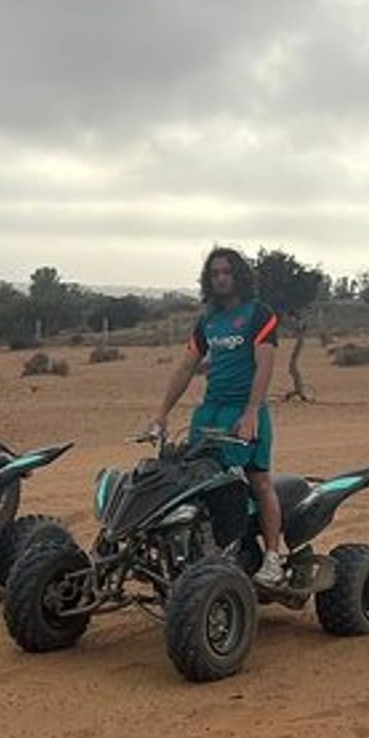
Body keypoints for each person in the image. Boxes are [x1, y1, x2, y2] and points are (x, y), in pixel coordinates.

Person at [149, 247, 288, 588]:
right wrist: (161, 414)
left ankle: (272, 558)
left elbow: (265, 364)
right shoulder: (207, 321)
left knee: (258, 480)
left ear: (238, 275)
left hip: (246, 409)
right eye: (214, 273)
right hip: (210, 412)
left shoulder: (258, 314)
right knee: (197, 481)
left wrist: (252, 411)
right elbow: (185, 367)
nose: (221, 278)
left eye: (226, 272)